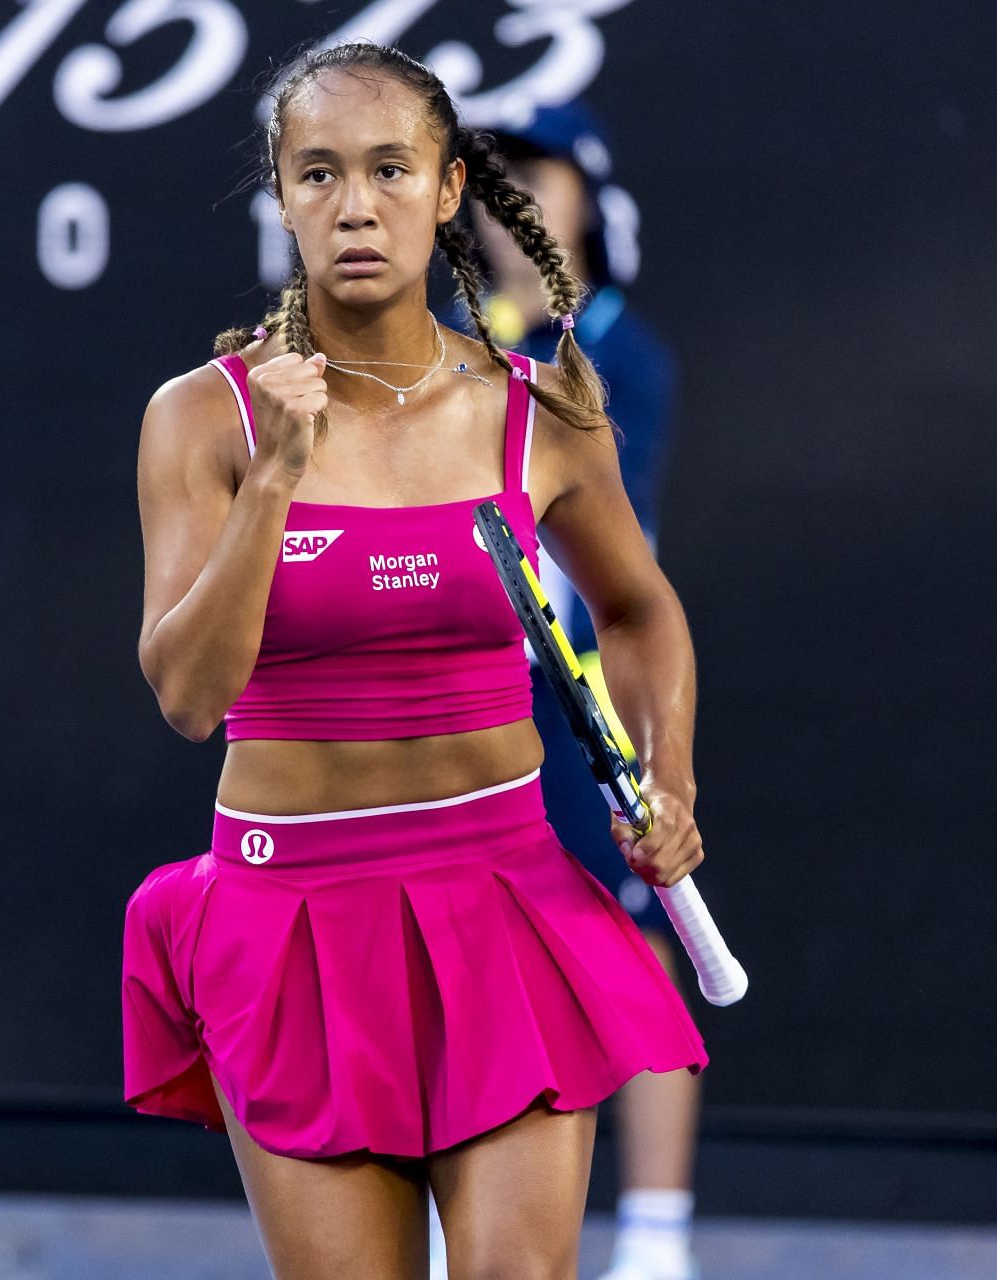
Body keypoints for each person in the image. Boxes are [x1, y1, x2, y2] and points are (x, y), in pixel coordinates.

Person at [123, 41, 710, 1280]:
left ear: (449, 191)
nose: (356, 204)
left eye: (392, 168)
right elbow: (187, 694)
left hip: (504, 901)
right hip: (290, 924)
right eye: (319, 173)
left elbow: (641, 612)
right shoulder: (203, 418)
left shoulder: (542, 407)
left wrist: (673, 779)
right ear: (282, 199)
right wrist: (276, 479)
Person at [425, 102, 706, 1280]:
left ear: (589, 200)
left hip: (583, 703)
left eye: (538, 182)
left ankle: (653, 1238)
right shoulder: (443, 345)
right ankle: (448, 1229)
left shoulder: (623, 358)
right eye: (494, 186)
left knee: (638, 945)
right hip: (466, 707)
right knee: (457, 956)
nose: (515, 206)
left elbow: (611, 548)